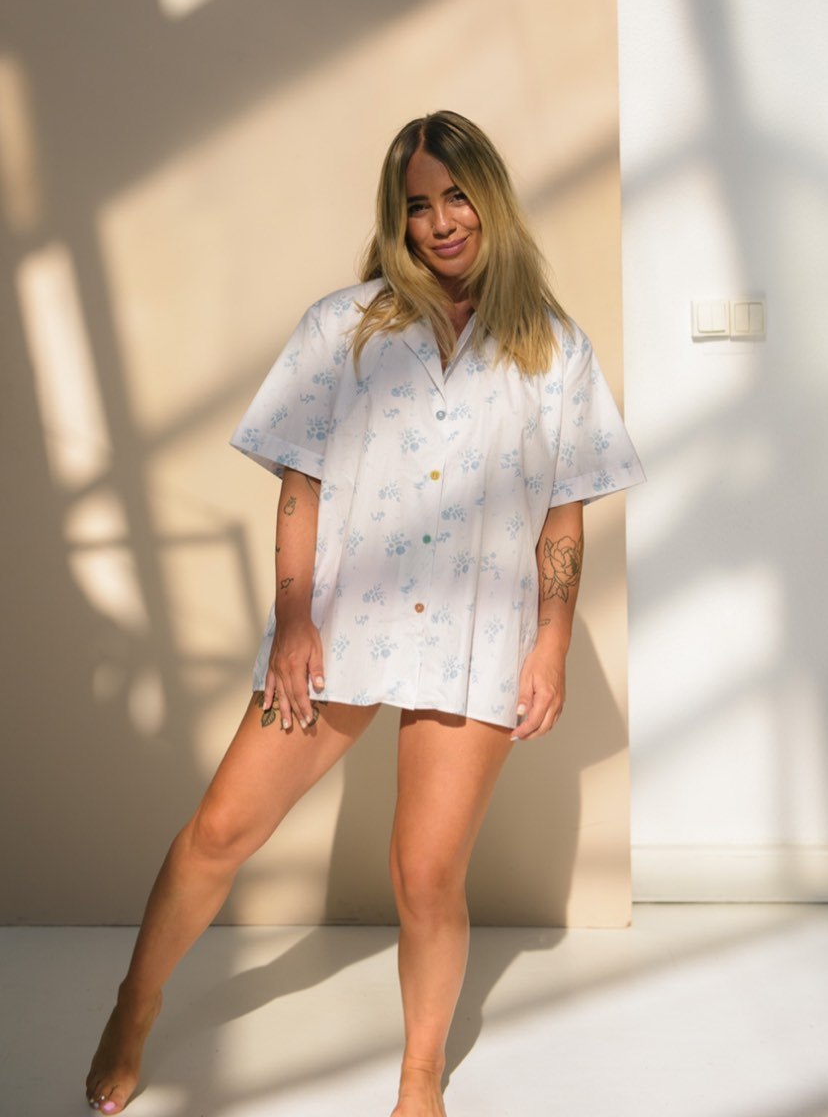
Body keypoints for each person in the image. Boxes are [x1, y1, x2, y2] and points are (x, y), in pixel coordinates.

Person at [86, 111, 644, 1116]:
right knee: (220, 829)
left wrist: (552, 639)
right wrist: (294, 620)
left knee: (426, 874)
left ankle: (420, 1077)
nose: (442, 221)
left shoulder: (554, 348)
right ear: (398, 218)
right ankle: (137, 999)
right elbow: (299, 485)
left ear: (491, 198)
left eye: (458, 196)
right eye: (419, 205)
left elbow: (566, 508)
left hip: (477, 632)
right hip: (341, 622)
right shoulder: (341, 327)